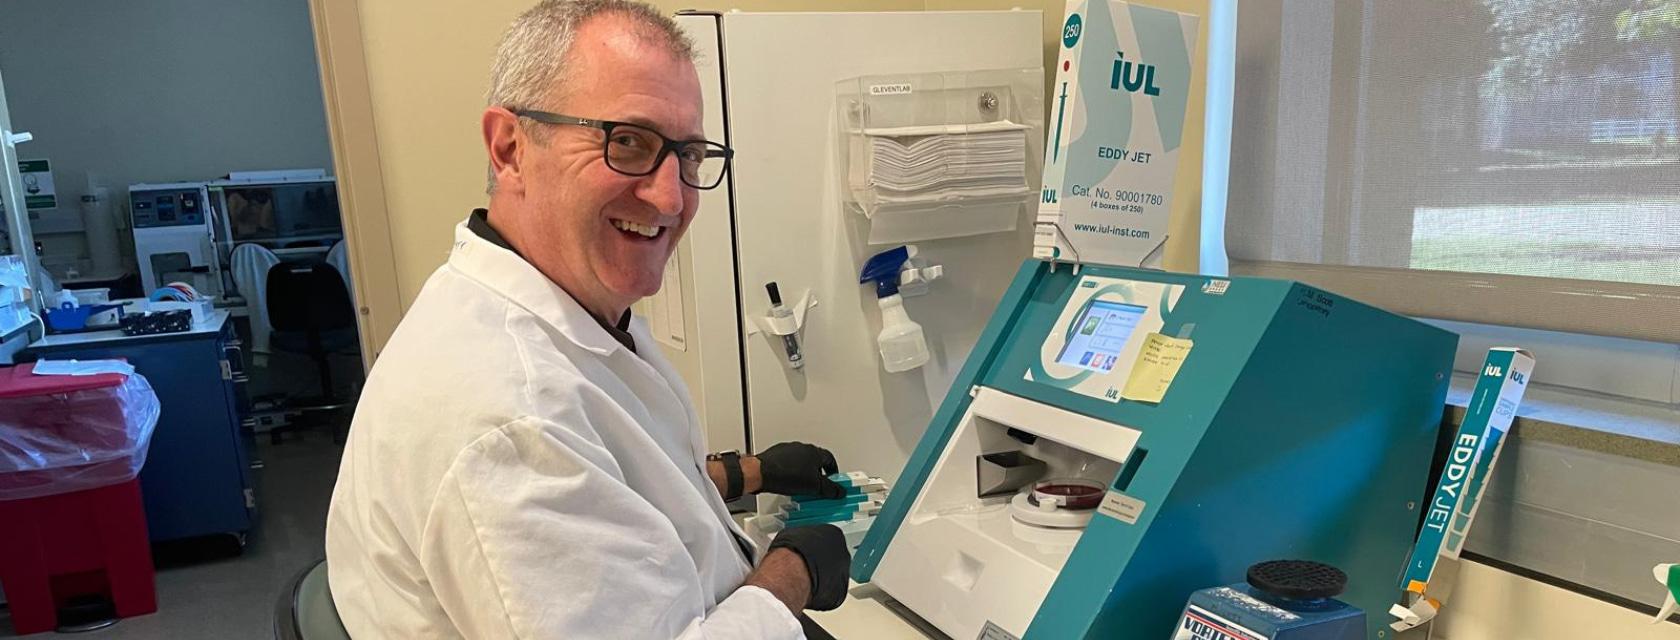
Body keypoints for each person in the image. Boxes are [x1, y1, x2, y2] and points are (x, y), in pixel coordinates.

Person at [324, 2, 852, 637]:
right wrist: (791, 573)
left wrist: (748, 472)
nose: (670, 197)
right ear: (510, 147)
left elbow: (607, 477)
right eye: (627, 141)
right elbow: (552, 461)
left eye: (688, 155)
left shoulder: (555, 315)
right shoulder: (507, 416)